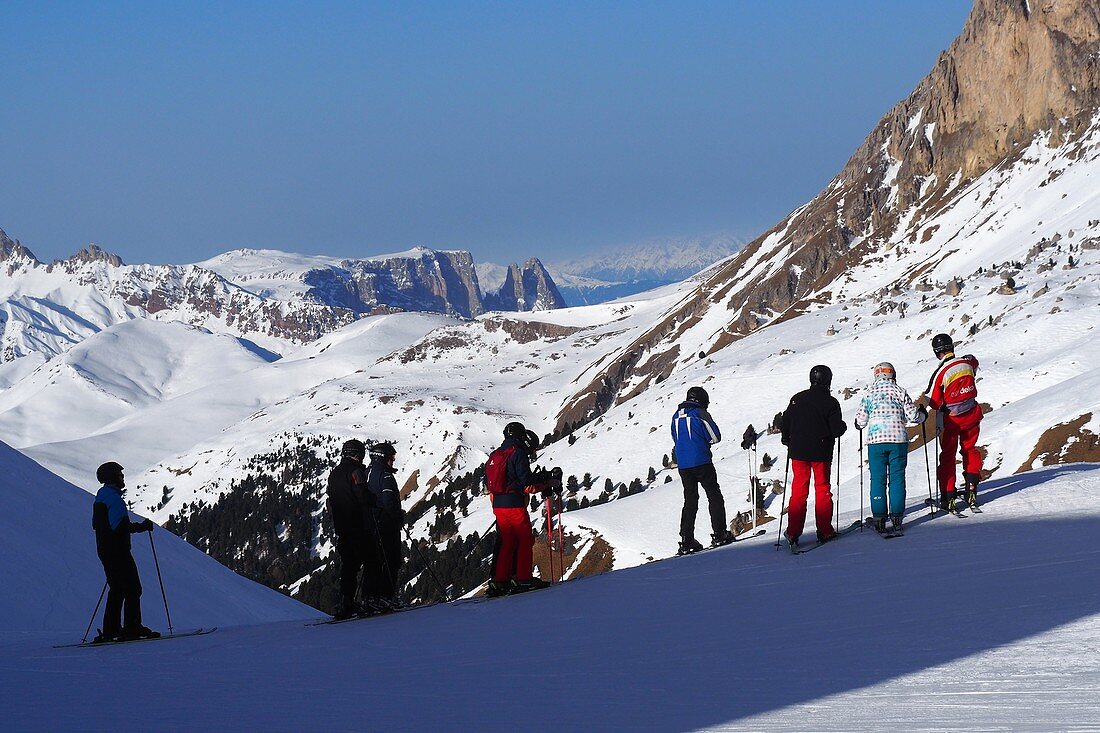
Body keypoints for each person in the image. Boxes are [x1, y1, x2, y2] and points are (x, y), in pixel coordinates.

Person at [854, 362, 927, 533]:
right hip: (898, 440)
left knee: (878, 479)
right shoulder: (900, 391)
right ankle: (897, 517)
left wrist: (858, 423)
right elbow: (914, 416)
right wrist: (923, 415)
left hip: (876, 442)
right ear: (893, 375)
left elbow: (861, 422)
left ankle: (879, 517)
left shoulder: (869, 394)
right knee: (897, 478)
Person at [780, 365, 847, 548]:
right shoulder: (830, 402)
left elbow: (785, 422)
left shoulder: (797, 398)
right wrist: (842, 427)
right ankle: (825, 531)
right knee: (822, 489)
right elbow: (836, 429)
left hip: (798, 452)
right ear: (828, 380)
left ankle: (793, 532)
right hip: (821, 452)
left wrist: (786, 439)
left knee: (799, 492)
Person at [91, 462, 158, 642]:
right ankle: (132, 627)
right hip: (118, 551)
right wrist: (142, 527)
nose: (122, 478)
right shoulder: (113, 499)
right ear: (113, 477)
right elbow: (120, 526)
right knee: (133, 588)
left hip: (105, 550)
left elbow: (99, 525)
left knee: (117, 588)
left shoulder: (102, 497)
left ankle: (111, 630)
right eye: (120, 475)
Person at [484, 422, 552, 596]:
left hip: (498, 505)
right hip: (514, 503)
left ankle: (500, 581)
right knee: (525, 540)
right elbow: (524, 480)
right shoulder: (518, 452)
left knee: (507, 543)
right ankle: (523, 578)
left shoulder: (497, 453)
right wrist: (542, 478)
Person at [923, 333, 983, 511]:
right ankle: (971, 489)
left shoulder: (942, 372)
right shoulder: (966, 364)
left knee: (948, 456)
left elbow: (934, 401)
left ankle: (948, 496)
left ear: (936, 352)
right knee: (970, 450)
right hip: (972, 414)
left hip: (952, 420)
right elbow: (974, 361)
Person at [671, 386, 734, 554]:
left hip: (683, 465)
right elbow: (715, 436)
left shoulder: (676, 416)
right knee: (714, 495)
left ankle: (686, 540)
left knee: (690, 501)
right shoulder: (700, 413)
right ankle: (720, 533)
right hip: (701, 461)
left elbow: (675, 438)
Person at [326, 439, 377, 619]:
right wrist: (374, 500)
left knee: (349, 566)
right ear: (358, 454)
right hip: (360, 525)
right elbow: (364, 497)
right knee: (372, 562)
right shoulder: (357, 472)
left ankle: (346, 602)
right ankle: (370, 600)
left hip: (342, 527)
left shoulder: (333, 474)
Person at [361, 442, 404, 612]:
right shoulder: (385, 475)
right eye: (391, 458)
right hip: (386, 524)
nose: (393, 461)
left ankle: (370, 597)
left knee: (374, 562)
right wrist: (397, 517)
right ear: (383, 458)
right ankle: (386, 597)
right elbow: (389, 500)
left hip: (370, 524)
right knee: (391, 560)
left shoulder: (367, 472)